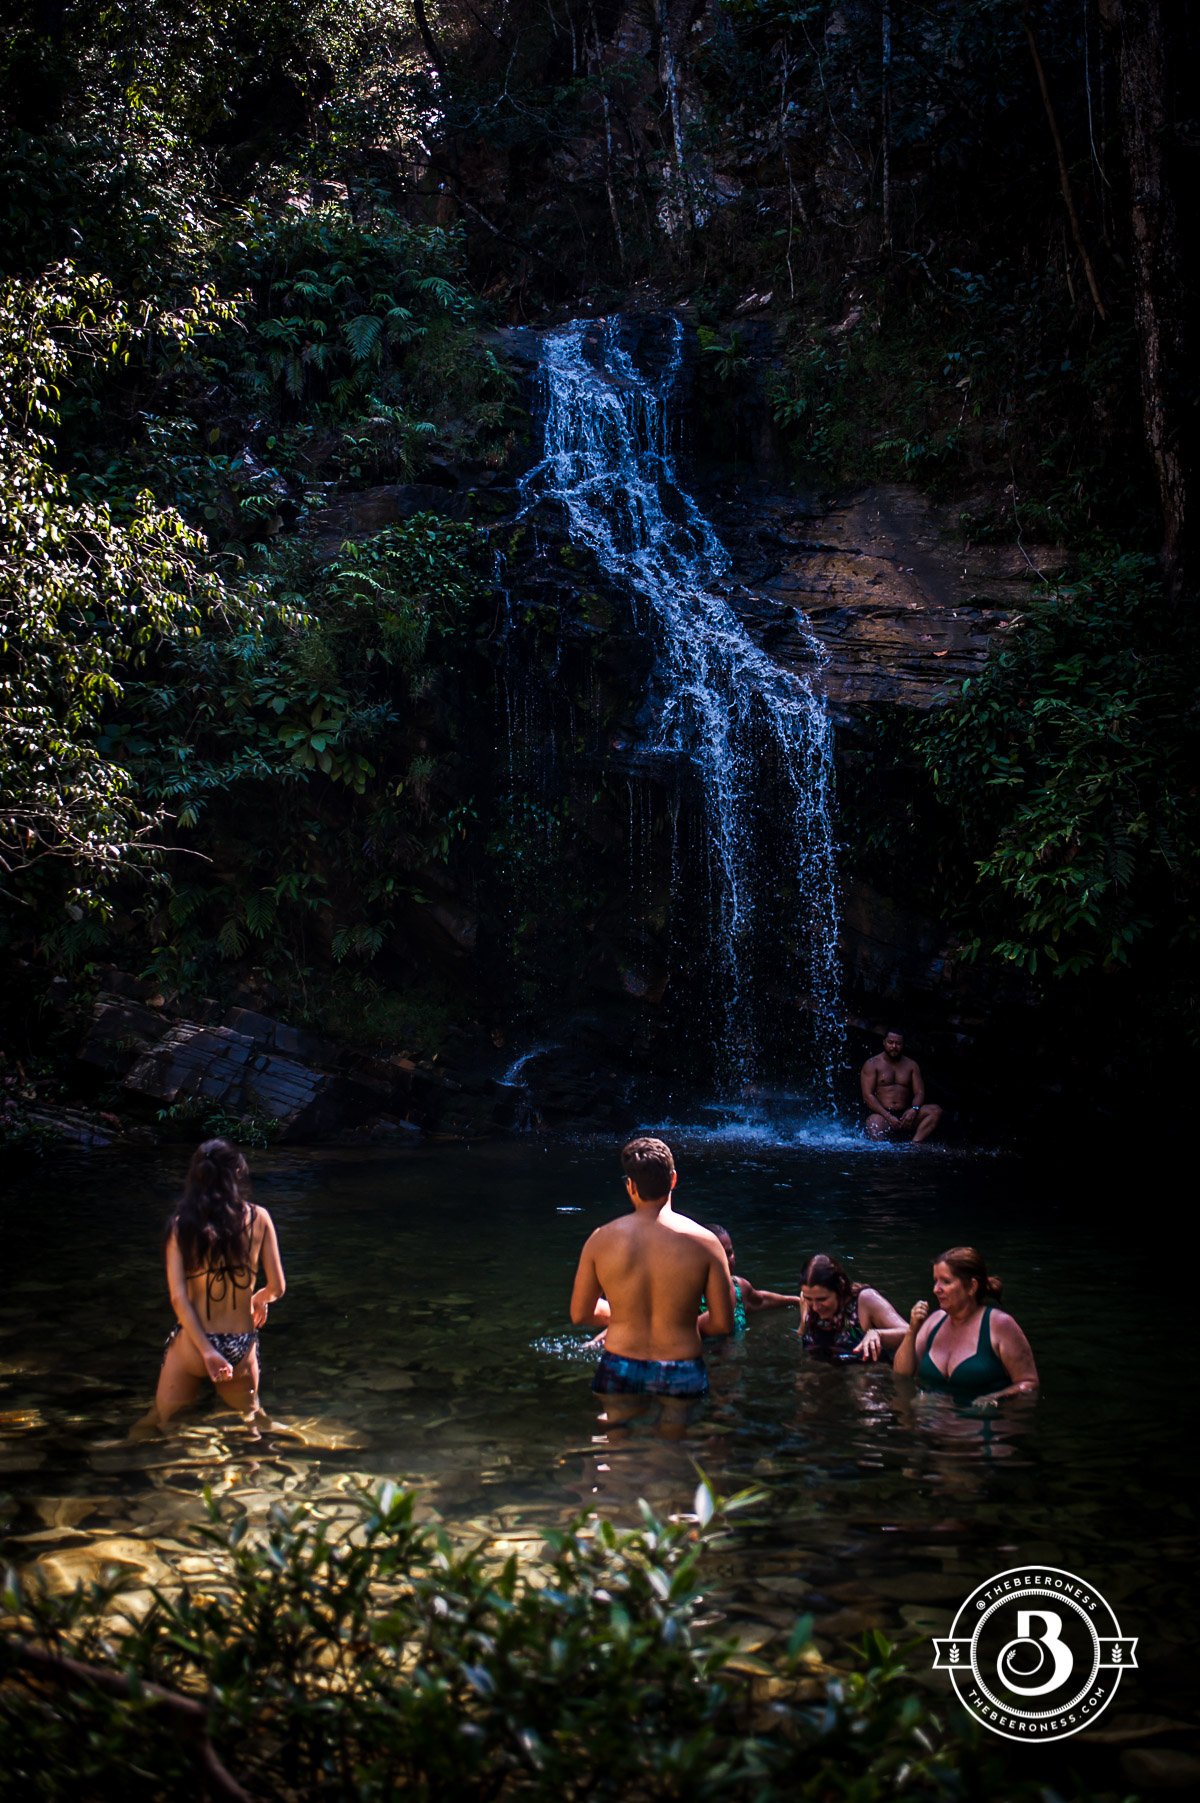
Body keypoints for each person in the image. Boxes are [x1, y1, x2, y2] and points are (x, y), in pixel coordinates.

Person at [569, 1137, 733, 1399]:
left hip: (620, 1361)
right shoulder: (707, 1243)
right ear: (674, 1179)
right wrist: (675, 1319)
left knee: (616, 1436)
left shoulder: (600, 1240)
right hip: (681, 1363)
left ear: (630, 1185)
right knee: (673, 1438)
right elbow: (723, 1323)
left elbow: (580, 1313)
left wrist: (628, 1313)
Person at [155, 1139, 285, 1426]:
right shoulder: (259, 1217)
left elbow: (179, 1299)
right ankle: (269, 1464)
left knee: (163, 1422)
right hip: (241, 1343)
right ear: (237, 1173)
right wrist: (260, 1298)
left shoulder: (181, 1225)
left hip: (195, 1343)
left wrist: (208, 1352)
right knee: (251, 1422)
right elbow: (278, 1287)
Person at [893, 1245, 1038, 1408]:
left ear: (972, 1287)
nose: (935, 1289)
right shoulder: (934, 1321)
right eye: (935, 1281)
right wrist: (912, 1330)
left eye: (945, 1282)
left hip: (979, 1425)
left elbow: (1029, 1383)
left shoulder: (999, 1324)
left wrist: (993, 1398)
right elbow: (901, 1375)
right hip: (934, 1425)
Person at [797, 1253, 908, 1362]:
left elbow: (910, 1332)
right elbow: (801, 1335)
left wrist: (878, 1334)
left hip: (864, 1371)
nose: (815, 1307)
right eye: (809, 1299)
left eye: (822, 1299)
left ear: (840, 1286)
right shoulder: (806, 1299)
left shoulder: (865, 1300)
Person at [700, 1224, 802, 1334]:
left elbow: (761, 1300)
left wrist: (798, 1300)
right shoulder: (689, 1296)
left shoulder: (739, 1289)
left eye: (729, 1253)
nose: (727, 1261)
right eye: (719, 1255)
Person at [861, 1028, 942, 1143]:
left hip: (906, 1115)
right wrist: (888, 1116)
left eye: (898, 1043)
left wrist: (914, 1109)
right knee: (873, 1123)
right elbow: (867, 1096)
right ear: (884, 1042)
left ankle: (915, 1143)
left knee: (935, 1110)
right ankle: (883, 1151)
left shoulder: (911, 1065)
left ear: (903, 1045)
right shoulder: (872, 1064)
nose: (894, 1046)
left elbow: (919, 1092)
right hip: (883, 1114)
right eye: (890, 1042)